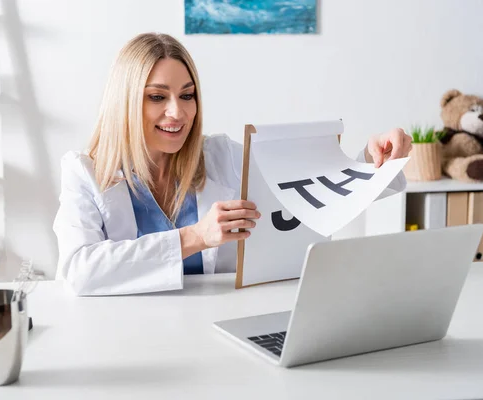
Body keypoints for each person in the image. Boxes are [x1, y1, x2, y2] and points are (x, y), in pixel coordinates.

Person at [53, 33, 412, 296]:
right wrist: (195, 237)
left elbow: (315, 190)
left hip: (213, 326)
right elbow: (80, 271)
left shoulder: (221, 157)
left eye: (187, 95)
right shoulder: (84, 173)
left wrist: (373, 163)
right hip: (122, 336)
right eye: (157, 97)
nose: (178, 112)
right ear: (125, 102)